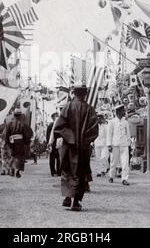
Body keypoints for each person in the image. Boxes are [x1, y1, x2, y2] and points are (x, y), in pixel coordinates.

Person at [53, 84, 99, 212]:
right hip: (82, 148)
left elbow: (59, 127)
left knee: (67, 171)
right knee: (80, 172)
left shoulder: (67, 107)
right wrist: (83, 141)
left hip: (69, 146)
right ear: (85, 94)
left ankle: (68, 196)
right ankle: (76, 201)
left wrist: (70, 138)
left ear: (74, 93)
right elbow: (94, 129)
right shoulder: (90, 109)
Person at [4, 109, 33, 178]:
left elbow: (6, 135)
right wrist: (27, 142)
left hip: (12, 142)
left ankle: (12, 170)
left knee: (12, 156)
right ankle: (17, 171)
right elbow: (29, 134)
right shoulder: (23, 124)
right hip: (20, 142)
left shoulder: (9, 124)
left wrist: (8, 143)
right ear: (20, 115)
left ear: (14, 115)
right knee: (20, 157)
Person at [107, 105, 131, 186]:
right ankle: (111, 176)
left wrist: (128, 143)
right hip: (115, 144)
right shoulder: (112, 122)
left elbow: (128, 134)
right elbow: (109, 134)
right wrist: (109, 144)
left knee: (125, 163)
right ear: (118, 112)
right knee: (113, 162)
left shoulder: (125, 122)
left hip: (124, 145)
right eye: (122, 111)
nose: (124, 112)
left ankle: (124, 178)